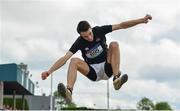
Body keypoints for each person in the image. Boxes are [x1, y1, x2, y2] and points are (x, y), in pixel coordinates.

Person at [41, 14, 152, 102]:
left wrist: (141, 20)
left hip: (108, 67)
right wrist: (49, 71)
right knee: (73, 60)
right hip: (92, 71)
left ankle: (116, 78)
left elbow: (121, 25)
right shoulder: (79, 42)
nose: (89, 37)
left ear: (91, 29)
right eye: (85, 36)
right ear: (80, 35)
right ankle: (69, 91)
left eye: (90, 34)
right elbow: (64, 58)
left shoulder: (99, 30)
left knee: (114, 44)